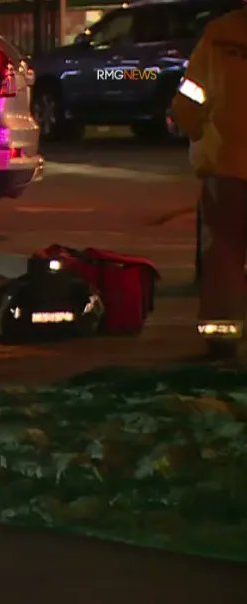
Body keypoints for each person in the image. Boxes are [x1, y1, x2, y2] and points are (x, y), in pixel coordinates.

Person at [171, 5, 247, 358]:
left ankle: (221, 336)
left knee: (223, 253)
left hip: (228, 165)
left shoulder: (220, 36)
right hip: (227, 163)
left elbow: (189, 100)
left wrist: (196, 131)